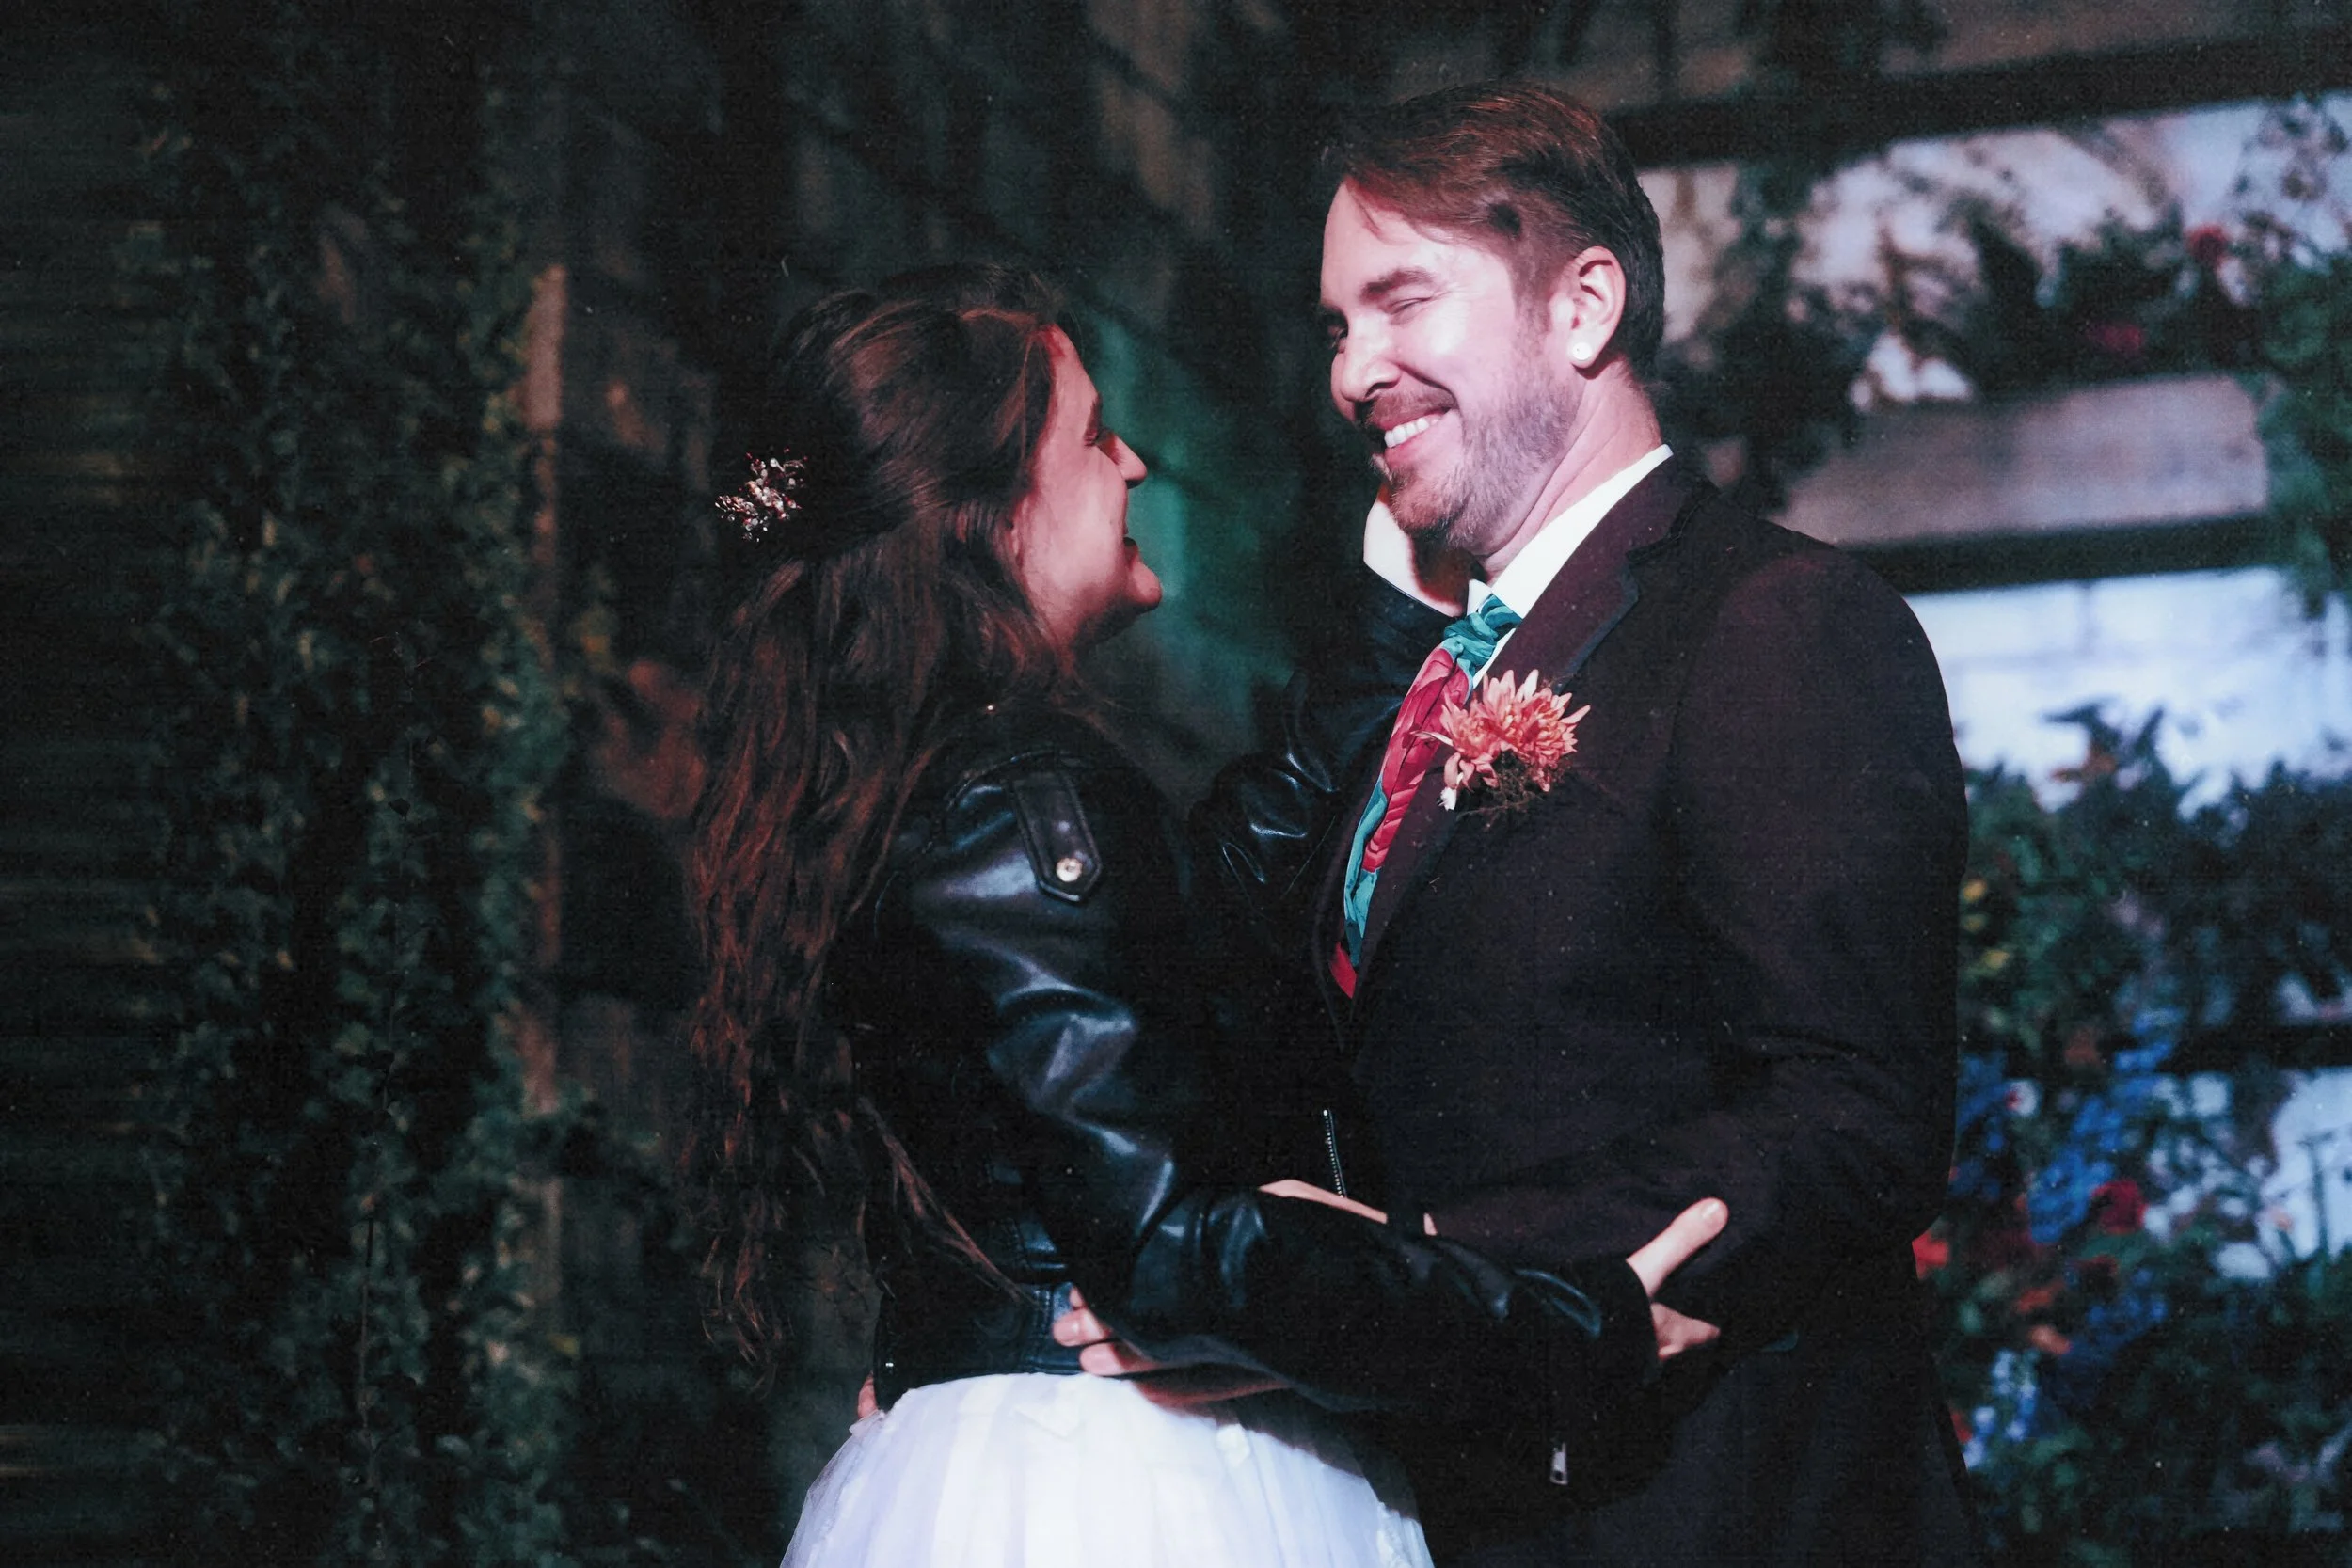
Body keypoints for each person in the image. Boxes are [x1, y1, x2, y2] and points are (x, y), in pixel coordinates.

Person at [683, 264, 1726, 1568]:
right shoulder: (1018, 800)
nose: (1132, 466)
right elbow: (1170, 1251)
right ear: (992, 519)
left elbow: (1197, 928)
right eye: (1092, 437)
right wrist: (1559, 1330)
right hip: (1124, 1485)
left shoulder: (933, 785)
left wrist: (1391, 623)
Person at [1076, 83, 1981, 1563]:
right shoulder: (1416, 666)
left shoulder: (1773, 620)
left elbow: (1853, 1119)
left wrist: (1410, 1271)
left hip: (1713, 1510)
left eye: (1400, 302)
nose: (1351, 371)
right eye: (1335, 326)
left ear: (1584, 307)